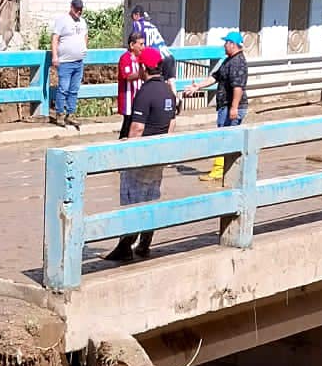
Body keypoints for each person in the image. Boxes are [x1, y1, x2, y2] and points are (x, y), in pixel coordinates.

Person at [105, 48, 177, 264]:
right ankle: (145, 243)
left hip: (141, 155)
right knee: (151, 196)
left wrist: (126, 155)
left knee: (132, 199)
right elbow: (171, 124)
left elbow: (136, 128)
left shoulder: (144, 93)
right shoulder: (168, 92)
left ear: (143, 68)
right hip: (159, 154)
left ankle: (126, 245)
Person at [190, 30, 248, 183]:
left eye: (226, 43)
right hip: (225, 106)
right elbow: (215, 77)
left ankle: (221, 171)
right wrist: (198, 86)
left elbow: (238, 87)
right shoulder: (228, 60)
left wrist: (234, 107)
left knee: (225, 138)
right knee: (223, 136)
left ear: (232, 44)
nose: (224, 45)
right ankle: (221, 169)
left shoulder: (237, 62)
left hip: (231, 107)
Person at [50, 0, 88, 129]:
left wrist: (84, 50)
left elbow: (85, 37)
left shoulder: (82, 22)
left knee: (74, 89)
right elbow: (55, 38)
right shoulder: (62, 20)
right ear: (71, 7)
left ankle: (70, 114)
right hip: (65, 61)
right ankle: (60, 114)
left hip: (78, 61)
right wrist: (55, 56)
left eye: (80, 9)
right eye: (77, 9)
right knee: (63, 88)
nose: (79, 12)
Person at [117, 30, 148, 139]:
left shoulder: (141, 58)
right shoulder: (125, 58)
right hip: (128, 98)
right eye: (140, 44)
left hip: (139, 96)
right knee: (128, 122)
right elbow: (127, 76)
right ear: (132, 45)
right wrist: (142, 74)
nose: (143, 47)